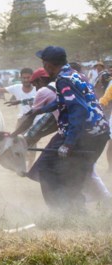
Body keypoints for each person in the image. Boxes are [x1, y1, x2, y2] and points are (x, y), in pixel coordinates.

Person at [25, 46, 109, 209]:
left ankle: (61, 213)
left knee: (47, 169)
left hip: (84, 135)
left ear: (48, 65)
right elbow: (66, 101)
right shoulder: (75, 74)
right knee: (73, 176)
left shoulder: (63, 79)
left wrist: (68, 143)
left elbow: (79, 110)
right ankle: (74, 213)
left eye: (43, 64)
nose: (43, 67)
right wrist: (40, 110)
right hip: (99, 132)